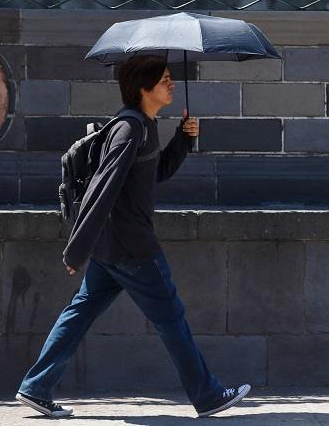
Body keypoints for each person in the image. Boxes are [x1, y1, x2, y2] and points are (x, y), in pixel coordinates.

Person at [15, 54, 250, 418]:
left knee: (80, 313)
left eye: (172, 78)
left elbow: (151, 177)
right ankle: (207, 395)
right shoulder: (131, 129)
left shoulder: (143, 126)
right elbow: (102, 189)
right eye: (164, 79)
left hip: (112, 249)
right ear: (143, 88)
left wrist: (183, 140)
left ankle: (36, 386)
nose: (171, 84)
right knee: (171, 318)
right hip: (133, 248)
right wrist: (76, 250)